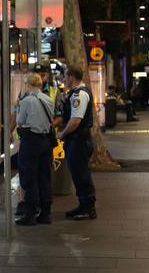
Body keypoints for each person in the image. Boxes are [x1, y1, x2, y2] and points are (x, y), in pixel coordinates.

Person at [15, 63, 63, 217]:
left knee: (29, 177)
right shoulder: (48, 99)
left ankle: (30, 212)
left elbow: (20, 120)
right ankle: (46, 213)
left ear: (29, 85)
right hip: (46, 141)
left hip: (31, 142)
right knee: (44, 176)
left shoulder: (26, 101)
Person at [57, 65, 97, 220]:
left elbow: (75, 121)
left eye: (66, 77)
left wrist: (62, 133)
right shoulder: (76, 93)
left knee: (81, 175)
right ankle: (83, 205)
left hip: (78, 141)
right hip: (77, 140)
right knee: (78, 174)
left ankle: (88, 208)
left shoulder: (79, 95)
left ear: (72, 76)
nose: (64, 80)